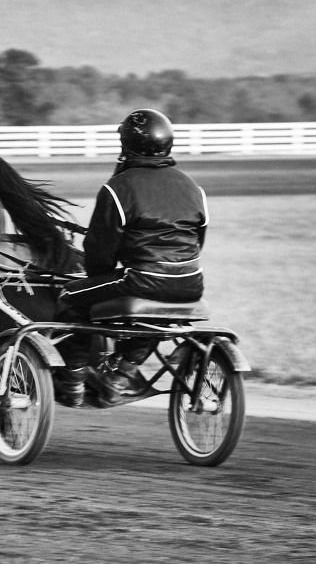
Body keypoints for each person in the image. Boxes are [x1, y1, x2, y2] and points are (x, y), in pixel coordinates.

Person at [55, 108, 209, 405]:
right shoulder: (193, 187)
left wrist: (97, 278)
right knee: (158, 318)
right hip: (191, 283)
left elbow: (100, 253)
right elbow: (197, 240)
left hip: (141, 280)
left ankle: (72, 382)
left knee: (69, 297)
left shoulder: (118, 188)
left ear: (126, 145)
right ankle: (120, 375)